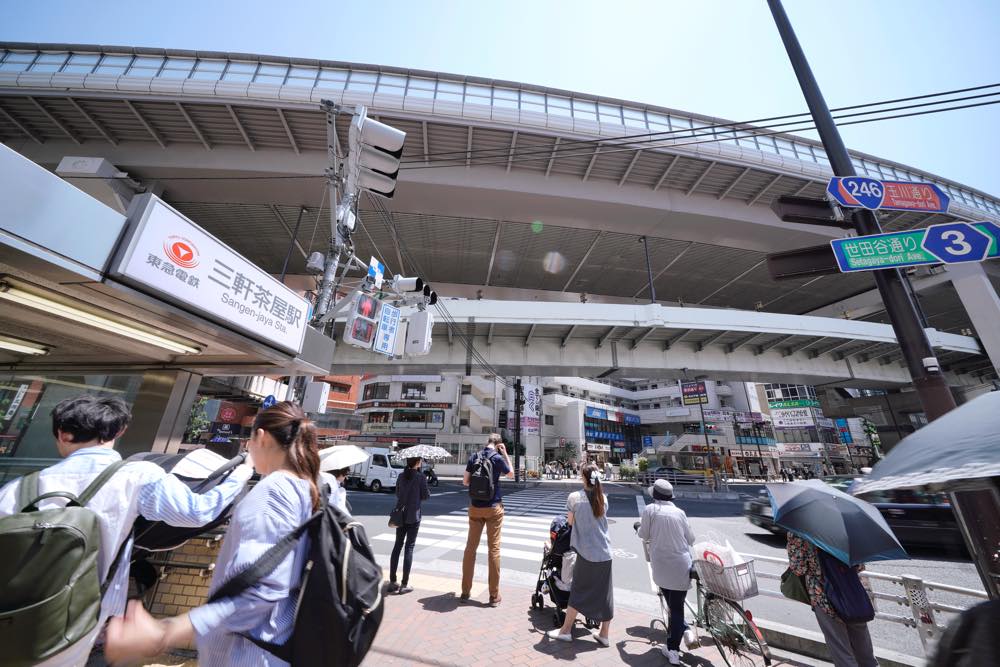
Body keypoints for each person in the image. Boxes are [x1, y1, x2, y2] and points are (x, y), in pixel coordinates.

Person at [0, 395, 252, 667]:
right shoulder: (137, 475)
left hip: (13, 619)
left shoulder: (14, 490)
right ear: (118, 432)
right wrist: (241, 473)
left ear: (61, 433)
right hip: (84, 625)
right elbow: (197, 511)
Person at [104, 401, 321, 666]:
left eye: (249, 439)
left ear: (261, 437)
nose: (248, 447)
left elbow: (261, 590)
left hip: (248, 654)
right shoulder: (303, 488)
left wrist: (166, 631)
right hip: (273, 647)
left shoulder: (273, 491)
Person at [547, 463, 614, 646]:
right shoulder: (603, 498)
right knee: (605, 594)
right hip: (605, 552)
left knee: (577, 591)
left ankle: (566, 630)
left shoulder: (574, 498)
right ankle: (604, 635)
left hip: (586, 552)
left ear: (584, 478)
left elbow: (569, 522)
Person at [786, 532, 877, 667]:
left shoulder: (799, 531)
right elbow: (859, 565)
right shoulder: (844, 527)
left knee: (842, 652)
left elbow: (799, 569)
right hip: (852, 595)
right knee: (865, 653)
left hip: (824, 598)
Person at [636, 479, 696, 665]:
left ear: (655, 495)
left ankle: (673, 650)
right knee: (676, 606)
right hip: (681, 565)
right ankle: (684, 629)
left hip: (661, 566)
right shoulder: (680, 512)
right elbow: (691, 539)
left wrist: (638, 527)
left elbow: (644, 535)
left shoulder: (650, 510)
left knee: (674, 607)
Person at [460, 433, 513, 606]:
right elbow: (511, 474)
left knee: (470, 549)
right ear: (498, 444)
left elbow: (465, 482)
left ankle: (465, 592)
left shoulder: (474, 456)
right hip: (493, 507)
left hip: (475, 507)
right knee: (494, 550)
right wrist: (505, 453)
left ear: (487, 442)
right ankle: (493, 595)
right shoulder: (497, 458)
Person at [388, 456, 429, 594]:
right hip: (413, 516)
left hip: (400, 515)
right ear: (417, 463)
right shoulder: (420, 477)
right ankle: (404, 584)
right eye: (420, 461)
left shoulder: (401, 476)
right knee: (409, 548)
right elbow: (425, 496)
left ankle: (392, 581)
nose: (421, 462)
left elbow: (397, 493)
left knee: (397, 546)